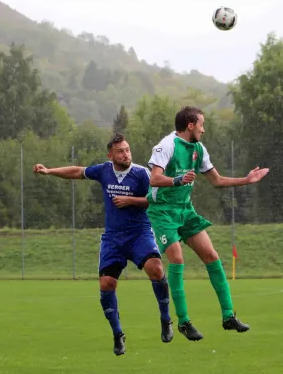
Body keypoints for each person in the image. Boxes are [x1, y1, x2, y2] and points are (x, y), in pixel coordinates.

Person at [33, 134, 173, 356]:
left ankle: (166, 318)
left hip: (139, 234)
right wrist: (49, 171)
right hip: (113, 238)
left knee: (155, 268)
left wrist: (131, 201)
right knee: (106, 284)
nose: (126, 154)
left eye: (128, 150)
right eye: (121, 151)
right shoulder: (104, 171)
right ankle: (118, 334)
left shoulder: (141, 174)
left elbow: (158, 199)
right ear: (111, 155)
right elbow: (77, 172)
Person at [146, 106, 269, 341]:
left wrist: (247, 179)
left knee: (212, 256)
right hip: (163, 212)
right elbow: (155, 178)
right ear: (190, 125)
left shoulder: (199, 148)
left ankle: (228, 316)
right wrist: (179, 179)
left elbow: (217, 180)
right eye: (201, 124)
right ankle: (183, 322)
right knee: (177, 258)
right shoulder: (167, 145)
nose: (204, 129)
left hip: (185, 210)